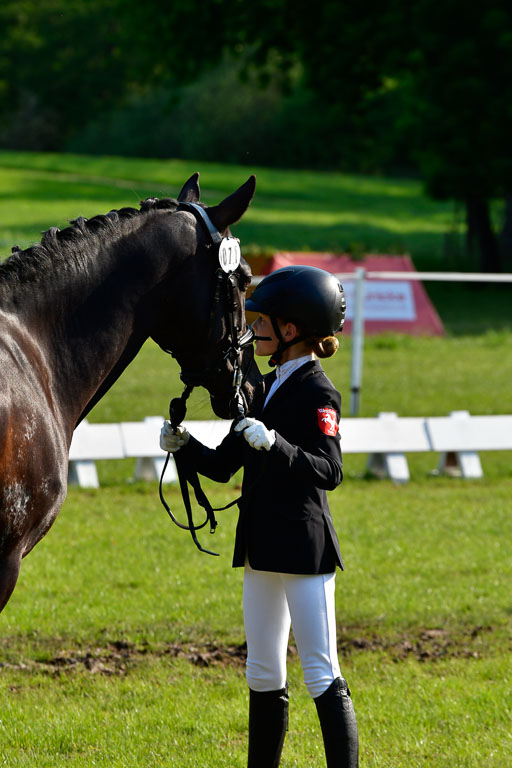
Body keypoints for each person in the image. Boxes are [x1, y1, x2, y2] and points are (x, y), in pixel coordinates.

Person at [160, 265, 358, 768]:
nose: (252, 328)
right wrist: (184, 449)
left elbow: (329, 470)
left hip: (303, 548)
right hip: (260, 547)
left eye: (262, 320)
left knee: (320, 671)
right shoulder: (259, 388)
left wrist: (276, 444)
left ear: (291, 330)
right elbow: (225, 466)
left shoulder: (319, 392)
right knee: (262, 672)